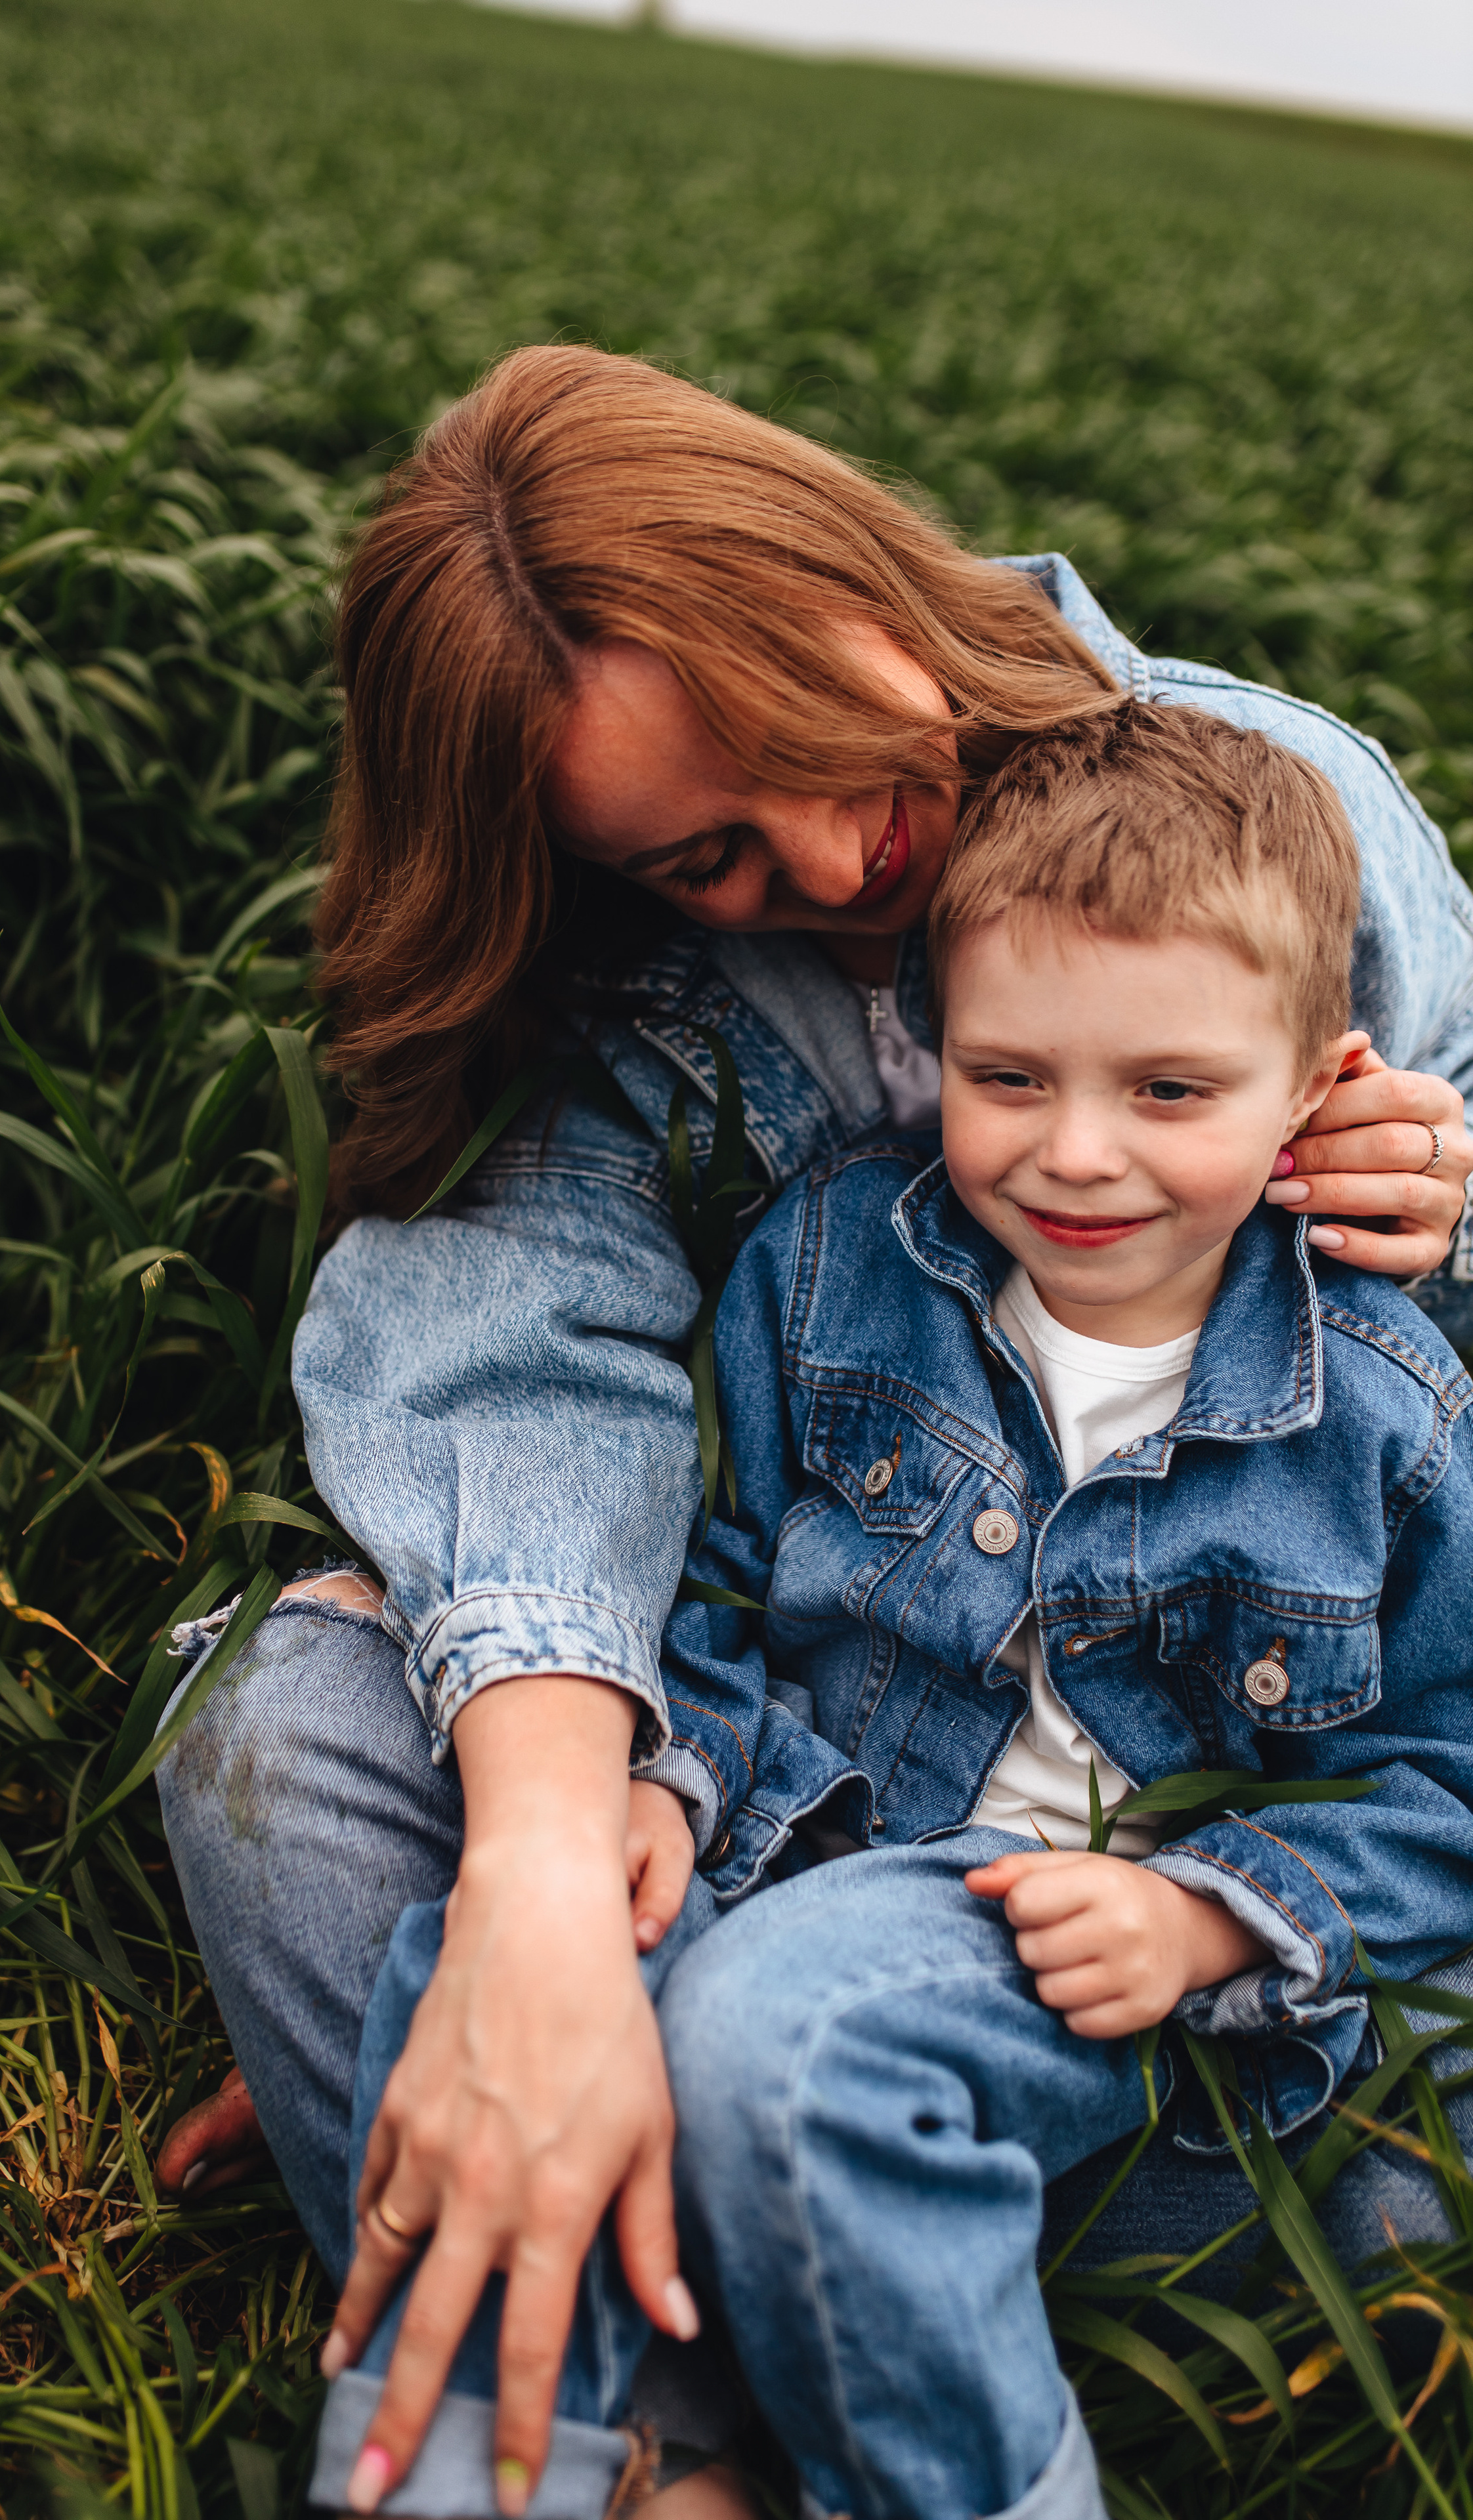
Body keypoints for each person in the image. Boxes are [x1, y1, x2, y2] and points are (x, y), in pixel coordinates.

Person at [154, 348, 1473, 2516]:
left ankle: (625, 2217)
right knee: (287, 1744)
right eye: (712, 858)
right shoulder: (681, 1056)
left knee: (1393, 2228)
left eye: (816, 744)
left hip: (1190, 1942)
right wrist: (558, 1879)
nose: (847, 855)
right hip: (807, 1805)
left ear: (855, 571)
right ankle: (661, 2439)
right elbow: (521, 1377)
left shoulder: (1274, 806)